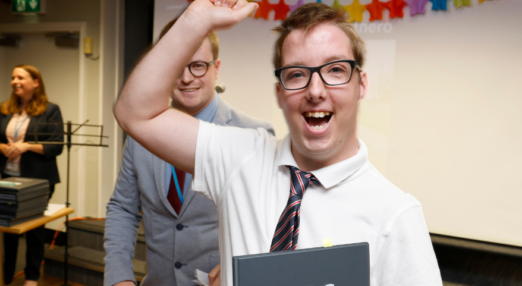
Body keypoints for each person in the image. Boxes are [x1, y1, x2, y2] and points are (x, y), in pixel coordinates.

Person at [113, 0, 443, 285]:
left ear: (361, 85)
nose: (315, 91)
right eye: (297, 74)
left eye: (336, 70)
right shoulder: (239, 158)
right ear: (280, 93)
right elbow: (135, 113)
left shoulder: (396, 216)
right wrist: (196, 19)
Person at [103, 16, 275, 286]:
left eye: (197, 66)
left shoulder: (254, 134)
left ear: (216, 68)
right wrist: (119, 275)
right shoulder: (140, 135)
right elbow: (123, 208)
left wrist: (238, 263)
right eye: (176, 67)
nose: (185, 78)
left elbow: (273, 221)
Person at [1, 65, 64, 286]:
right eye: (12, 77)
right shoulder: (5, 108)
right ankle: (6, 277)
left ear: (35, 82)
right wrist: (3, 148)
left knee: (35, 231)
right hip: (7, 178)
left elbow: (56, 146)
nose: (14, 81)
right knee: (7, 230)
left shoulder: (50, 110)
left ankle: (32, 278)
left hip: (38, 180)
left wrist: (26, 146)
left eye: (20, 77)